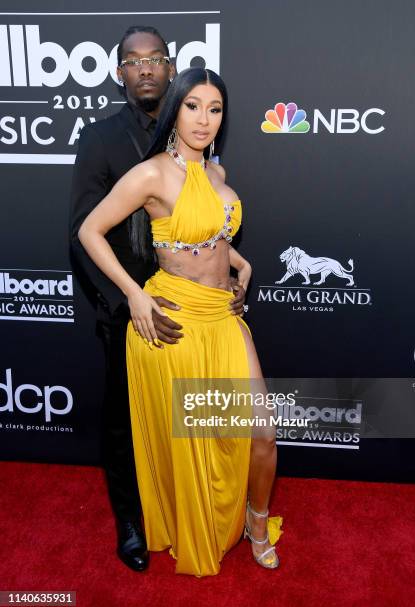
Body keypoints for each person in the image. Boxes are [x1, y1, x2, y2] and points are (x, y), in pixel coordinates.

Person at [78, 67, 281, 576]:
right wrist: (134, 296)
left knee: (261, 435)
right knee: (194, 441)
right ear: (175, 109)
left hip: (222, 315)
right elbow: (90, 230)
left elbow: (208, 234)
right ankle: (196, 524)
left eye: (215, 109)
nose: (204, 119)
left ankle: (257, 523)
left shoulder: (217, 175)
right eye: (193, 106)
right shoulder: (151, 174)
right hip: (175, 319)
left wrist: (241, 263)